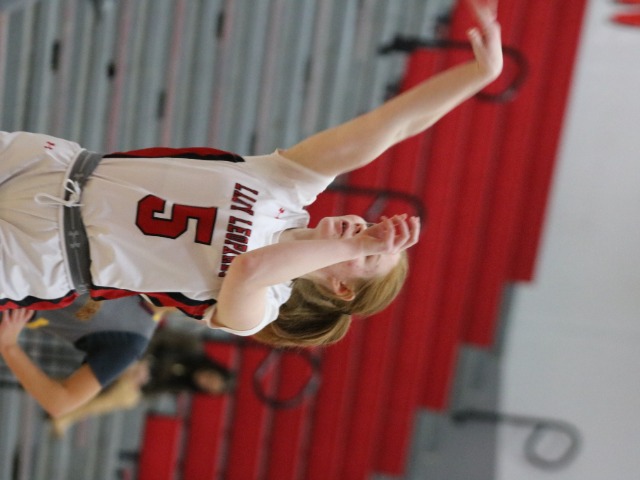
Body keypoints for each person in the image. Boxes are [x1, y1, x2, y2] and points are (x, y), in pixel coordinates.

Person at [0, 0, 503, 347]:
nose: (363, 230)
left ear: (341, 289)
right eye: (373, 230)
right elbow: (386, 129)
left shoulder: (260, 308)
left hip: (44, 256)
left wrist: (358, 245)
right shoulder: (290, 187)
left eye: (370, 252)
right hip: (55, 167)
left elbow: (252, 269)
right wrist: (477, 76)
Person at [0, 295, 234, 418]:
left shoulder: (130, 342)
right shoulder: (140, 261)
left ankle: (64, 424)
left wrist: (9, 347)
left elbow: (60, 402)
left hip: (11, 302)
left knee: (125, 396)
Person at [50, 327, 235, 436]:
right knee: (123, 394)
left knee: (129, 398)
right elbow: (157, 335)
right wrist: (143, 361)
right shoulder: (193, 346)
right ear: (213, 369)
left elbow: (152, 391)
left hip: (133, 377)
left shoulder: (182, 386)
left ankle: (65, 401)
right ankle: (65, 410)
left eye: (207, 386)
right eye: (211, 378)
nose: (205, 381)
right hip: (135, 350)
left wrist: (141, 381)